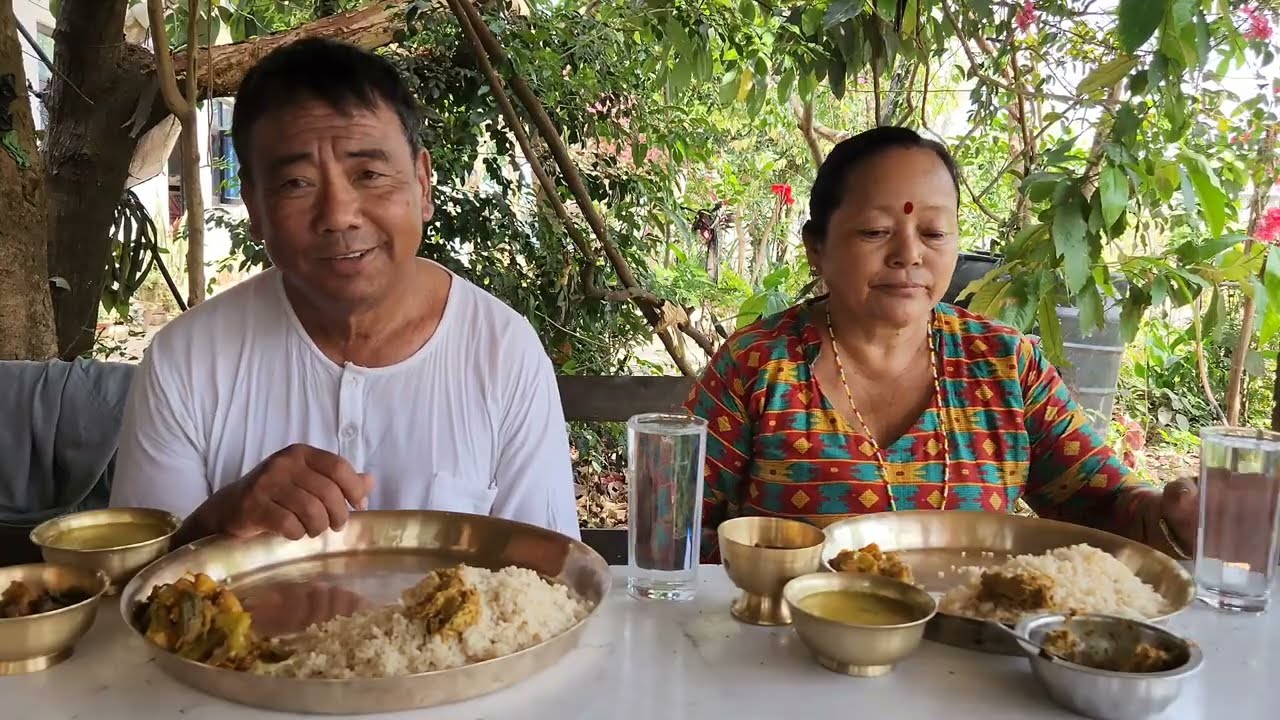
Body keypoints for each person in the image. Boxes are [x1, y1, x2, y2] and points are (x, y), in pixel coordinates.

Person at [110, 39, 578, 545]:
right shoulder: (187, 361)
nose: (338, 215)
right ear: (253, 206)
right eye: (296, 183)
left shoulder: (503, 355)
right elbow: (137, 597)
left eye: (369, 174)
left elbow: (545, 581)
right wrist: (220, 519)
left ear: (423, 185)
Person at [685, 126, 1198, 562]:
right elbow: (675, 526)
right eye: (874, 231)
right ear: (816, 247)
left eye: (933, 233)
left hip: (971, 659)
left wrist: (1171, 517)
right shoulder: (758, 364)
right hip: (785, 657)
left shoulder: (1005, 366)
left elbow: (1104, 504)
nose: (908, 254)